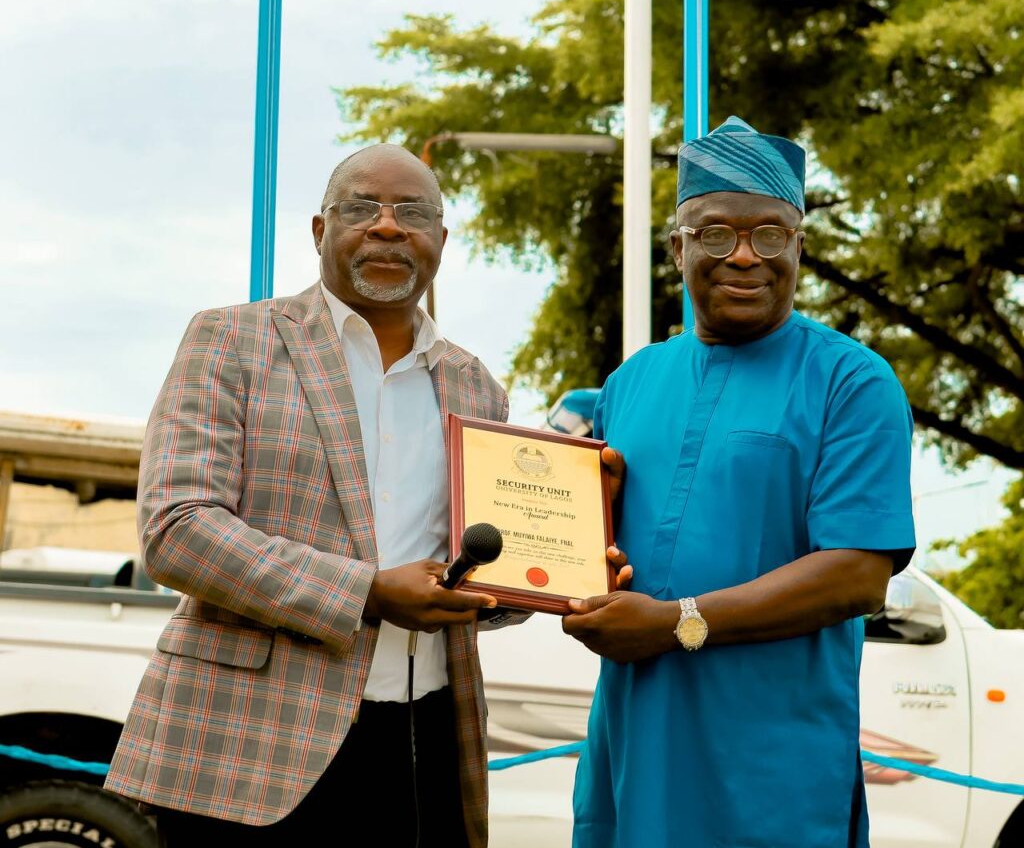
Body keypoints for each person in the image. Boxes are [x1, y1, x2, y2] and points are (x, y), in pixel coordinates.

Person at [105, 144, 537, 846]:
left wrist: (561, 570)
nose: (388, 225)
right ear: (319, 230)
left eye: (413, 213)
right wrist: (368, 592)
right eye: (362, 207)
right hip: (249, 745)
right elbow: (176, 529)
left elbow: (477, 563)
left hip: (425, 736)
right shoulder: (231, 340)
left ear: (441, 238)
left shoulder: (476, 385)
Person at [562, 117, 916, 848]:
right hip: (634, 743)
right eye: (717, 234)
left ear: (799, 248)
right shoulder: (630, 384)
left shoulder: (851, 381)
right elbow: (601, 553)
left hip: (771, 761)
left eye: (771, 235)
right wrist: (583, 526)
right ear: (678, 249)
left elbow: (858, 575)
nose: (746, 256)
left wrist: (675, 621)